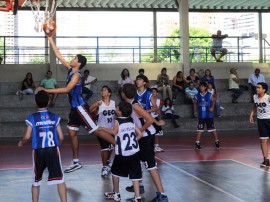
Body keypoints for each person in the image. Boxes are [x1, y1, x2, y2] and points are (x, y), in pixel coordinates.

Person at [37, 34, 115, 173]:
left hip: (80, 108)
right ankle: (76, 162)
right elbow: (59, 56)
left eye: (74, 58)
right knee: (71, 133)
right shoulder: (69, 70)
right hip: (74, 109)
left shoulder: (77, 75)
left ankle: (121, 145)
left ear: (78, 63)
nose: (71, 59)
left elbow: (67, 89)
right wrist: (50, 38)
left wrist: (45, 89)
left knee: (97, 130)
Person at [122, 83, 168, 202]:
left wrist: (140, 132)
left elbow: (149, 119)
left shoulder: (135, 105)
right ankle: (139, 187)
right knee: (138, 162)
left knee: (151, 166)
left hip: (147, 137)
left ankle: (162, 195)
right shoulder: (130, 104)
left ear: (123, 94)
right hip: (143, 137)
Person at [17, 90, 67, 202]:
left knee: (36, 181)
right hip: (53, 150)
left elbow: (27, 136)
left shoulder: (32, 118)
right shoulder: (54, 117)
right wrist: (57, 146)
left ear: (36, 102)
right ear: (49, 102)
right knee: (60, 180)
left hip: (38, 151)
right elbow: (62, 137)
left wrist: (21, 143)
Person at [102, 101, 143, 202]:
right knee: (135, 175)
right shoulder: (131, 120)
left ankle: (116, 194)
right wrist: (132, 141)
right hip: (134, 151)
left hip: (122, 153)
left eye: (117, 108)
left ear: (120, 112)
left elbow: (114, 132)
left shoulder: (117, 121)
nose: (115, 109)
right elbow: (140, 134)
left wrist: (102, 128)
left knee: (115, 173)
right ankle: (138, 197)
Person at [89, 86, 115, 178]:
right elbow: (89, 110)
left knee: (111, 147)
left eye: (105, 90)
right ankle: (104, 167)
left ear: (109, 93)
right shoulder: (99, 103)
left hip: (111, 129)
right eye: (102, 90)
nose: (102, 91)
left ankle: (107, 161)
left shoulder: (113, 103)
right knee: (105, 148)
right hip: (101, 130)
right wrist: (96, 105)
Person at [193, 82, 220, 150]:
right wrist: (195, 111)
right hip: (201, 115)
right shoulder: (197, 95)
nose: (201, 88)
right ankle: (197, 143)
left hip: (209, 115)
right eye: (200, 86)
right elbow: (195, 104)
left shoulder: (210, 94)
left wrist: (212, 107)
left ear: (205, 87)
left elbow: (214, 100)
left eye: (202, 86)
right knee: (200, 129)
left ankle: (217, 142)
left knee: (212, 129)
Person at [250, 82, 270, 167]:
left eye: (259, 87)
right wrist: (251, 114)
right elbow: (255, 106)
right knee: (263, 140)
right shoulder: (255, 97)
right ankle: (266, 160)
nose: (257, 89)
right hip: (261, 121)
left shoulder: (268, 97)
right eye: (256, 87)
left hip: (269, 120)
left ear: (264, 90)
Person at [151, 87, 164, 152]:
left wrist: (160, 119)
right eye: (152, 92)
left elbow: (158, 110)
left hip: (155, 118)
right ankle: (151, 146)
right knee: (151, 133)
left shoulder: (158, 101)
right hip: (149, 118)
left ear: (157, 93)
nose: (153, 93)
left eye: (154, 92)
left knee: (157, 133)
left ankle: (156, 146)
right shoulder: (149, 100)